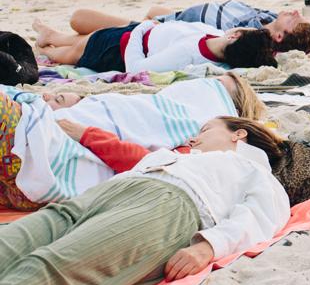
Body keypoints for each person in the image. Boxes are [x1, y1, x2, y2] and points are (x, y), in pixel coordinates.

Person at [0, 116, 289, 285]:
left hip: (168, 205)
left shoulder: (255, 170)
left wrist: (208, 246)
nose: (193, 140)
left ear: (239, 133)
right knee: (12, 241)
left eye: (205, 130)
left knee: (52, 267)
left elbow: (260, 215)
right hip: (104, 195)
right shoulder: (180, 157)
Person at [1, 76, 266, 210]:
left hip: (41, 154)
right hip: (30, 169)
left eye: (217, 82)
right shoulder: (181, 125)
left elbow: (151, 165)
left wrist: (85, 133)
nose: (205, 81)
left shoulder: (197, 134)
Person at [33, 17, 280, 73]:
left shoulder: (188, 55)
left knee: (73, 54)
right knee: (79, 41)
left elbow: (136, 69)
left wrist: (141, 28)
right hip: (135, 34)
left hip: (119, 49)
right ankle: (51, 35)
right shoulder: (216, 37)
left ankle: (44, 49)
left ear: (235, 36)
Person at [64, 4, 310, 52]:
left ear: (279, 35)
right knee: (154, 9)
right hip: (173, 15)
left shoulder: (246, 35)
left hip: (164, 27)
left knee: (79, 20)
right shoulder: (269, 16)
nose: (296, 12)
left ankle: (61, 40)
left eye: (296, 20)